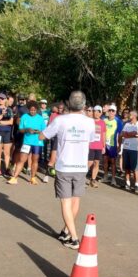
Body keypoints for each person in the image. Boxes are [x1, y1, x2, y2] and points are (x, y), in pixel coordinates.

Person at [39, 91, 95, 249]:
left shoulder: (60, 120)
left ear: (69, 104)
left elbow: (42, 136)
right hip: (81, 166)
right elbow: (91, 140)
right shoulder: (90, 122)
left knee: (65, 201)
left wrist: (42, 133)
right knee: (75, 200)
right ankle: (66, 231)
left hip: (64, 166)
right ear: (84, 105)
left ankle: (75, 238)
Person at [7, 101, 45, 185]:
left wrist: (38, 131)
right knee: (21, 160)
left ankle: (33, 178)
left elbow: (44, 130)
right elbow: (20, 129)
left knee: (35, 160)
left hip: (37, 142)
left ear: (37, 110)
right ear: (28, 110)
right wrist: (27, 130)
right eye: (31, 110)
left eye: (34, 110)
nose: (33, 112)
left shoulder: (40, 118)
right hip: (27, 142)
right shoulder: (24, 116)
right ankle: (14, 178)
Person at [120, 110, 138, 191]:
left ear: (134, 116)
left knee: (135, 168)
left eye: (130, 114)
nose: (128, 115)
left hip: (134, 149)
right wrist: (131, 134)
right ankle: (127, 183)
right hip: (126, 148)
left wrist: (128, 134)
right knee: (127, 167)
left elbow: (136, 134)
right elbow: (122, 134)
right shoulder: (126, 124)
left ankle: (136, 184)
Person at [102, 104, 123, 186]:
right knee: (105, 161)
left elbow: (120, 134)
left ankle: (113, 179)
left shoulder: (118, 121)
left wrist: (119, 145)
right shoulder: (104, 120)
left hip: (113, 145)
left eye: (112, 111)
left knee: (113, 162)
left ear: (115, 112)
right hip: (104, 144)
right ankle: (105, 177)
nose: (111, 112)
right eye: (110, 110)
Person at [87, 105, 106, 188]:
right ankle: (80, 178)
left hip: (99, 146)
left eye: (99, 111)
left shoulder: (102, 123)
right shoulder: (89, 121)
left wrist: (104, 146)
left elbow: (104, 135)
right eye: (95, 111)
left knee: (96, 163)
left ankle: (93, 179)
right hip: (90, 145)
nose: (96, 113)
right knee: (89, 162)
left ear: (101, 113)